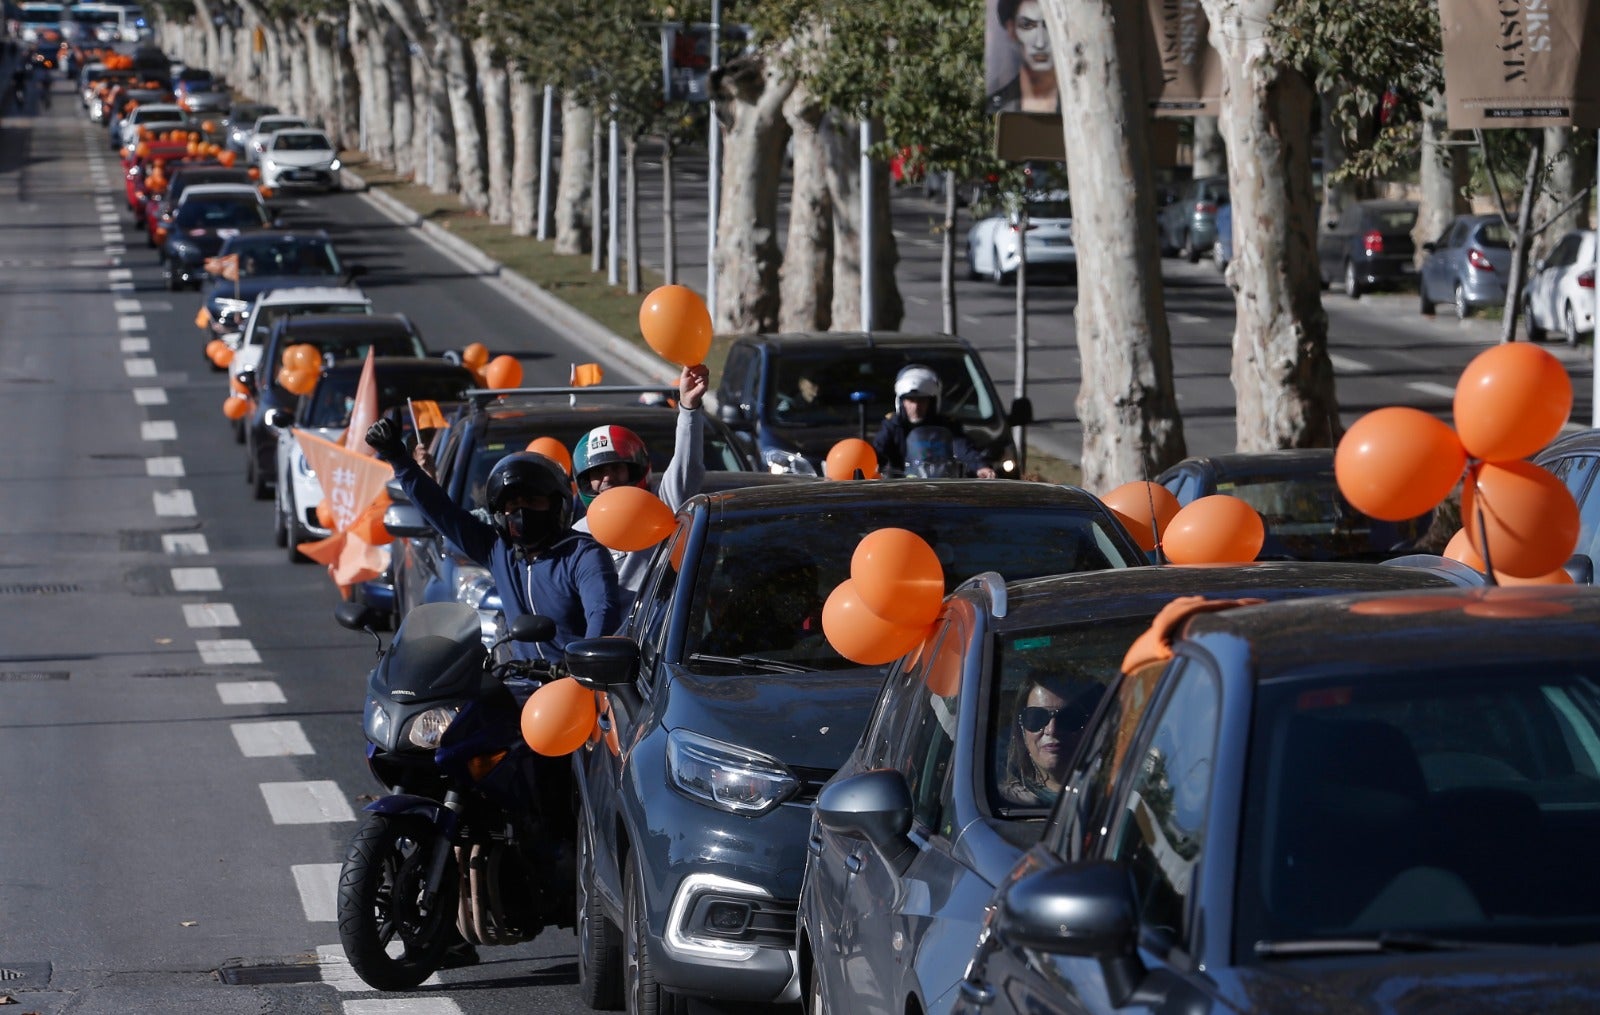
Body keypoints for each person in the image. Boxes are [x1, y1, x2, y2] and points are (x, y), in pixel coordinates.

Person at [366, 419, 620, 659]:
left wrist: (588, 670)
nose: (522, 512)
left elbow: (602, 614)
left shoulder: (583, 554)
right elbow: (442, 511)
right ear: (500, 515)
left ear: (556, 507)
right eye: (513, 505)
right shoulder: (498, 551)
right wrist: (398, 458)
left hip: (575, 686)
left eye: (533, 501)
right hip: (518, 682)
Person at [571, 363, 710, 611]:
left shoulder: (661, 506)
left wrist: (689, 408)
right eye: (598, 472)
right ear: (584, 481)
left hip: (659, 638)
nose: (607, 478)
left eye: (616, 468)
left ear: (635, 470)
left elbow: (686, 467)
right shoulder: (578, 537)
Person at [872, 364, 996, 478]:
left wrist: (980, 466)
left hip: (942, 485)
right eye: (910, 400)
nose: (915, 407)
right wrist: (875, 463)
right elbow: (879, 449)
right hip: (902, 486)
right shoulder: (893, 425)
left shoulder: (947, 425)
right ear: (901, 401)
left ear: (932, 402)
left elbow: (963, 448)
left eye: (922, 401)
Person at [999, 672, 1103, 806]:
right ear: (1022, 731)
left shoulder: (1117, 800)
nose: (1052, 730)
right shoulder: (1004, 803)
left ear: (1091, 726)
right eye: (1037, 717)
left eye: (1069, 717)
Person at [985, 0, 1059, 115]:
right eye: (1027, 25)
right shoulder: (996, 105)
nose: (1040, 43)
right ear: (1012, 30)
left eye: (1049, 25)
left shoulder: (1086, 101)